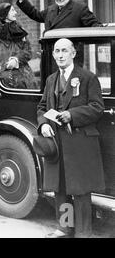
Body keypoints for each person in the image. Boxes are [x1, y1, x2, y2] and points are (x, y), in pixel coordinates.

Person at [37, 38, 105, 238]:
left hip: (80, 142)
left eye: (64, 51)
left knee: (81, 190)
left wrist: (72, 115)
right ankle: (65, 228)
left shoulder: (88, 77)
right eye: (57, 51)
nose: (60, 55)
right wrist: (44, 125)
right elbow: (42, 107)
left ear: (73, 53)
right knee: (61, 189)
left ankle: (84, 233)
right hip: (58, 143)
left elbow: (97, 107)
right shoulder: (51, 80)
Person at [0, 2, 37, 89]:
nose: (16, 13)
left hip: (22, 77)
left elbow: (28, 51)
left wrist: (16, 60)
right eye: (12, 11)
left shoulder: (20, 29)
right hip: (1, 77)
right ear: (5, 14)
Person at [16, 0, 102, 32]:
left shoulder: (80, 9)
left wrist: (101, 28)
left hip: (71, 56)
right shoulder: (50, 10)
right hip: (50, 54)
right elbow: (34, 14)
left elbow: (93, 24)